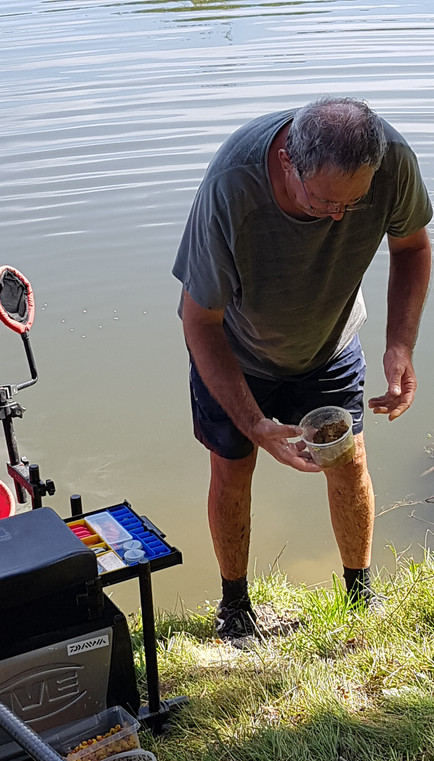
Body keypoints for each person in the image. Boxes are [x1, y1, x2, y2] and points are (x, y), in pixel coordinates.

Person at [172, 96, 432, 643]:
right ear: (289, 160)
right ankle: (235, 607)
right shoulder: (231, 188)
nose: (337, 216)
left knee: (347, 459)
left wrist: (399, 345)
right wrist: (254, 422)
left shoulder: (392, 162)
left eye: (352, 204)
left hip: (331, 343)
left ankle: (360, 593)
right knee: (232, 467)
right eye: (323, 202)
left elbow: (412, 247)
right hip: (237, 352)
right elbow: (198, 320)